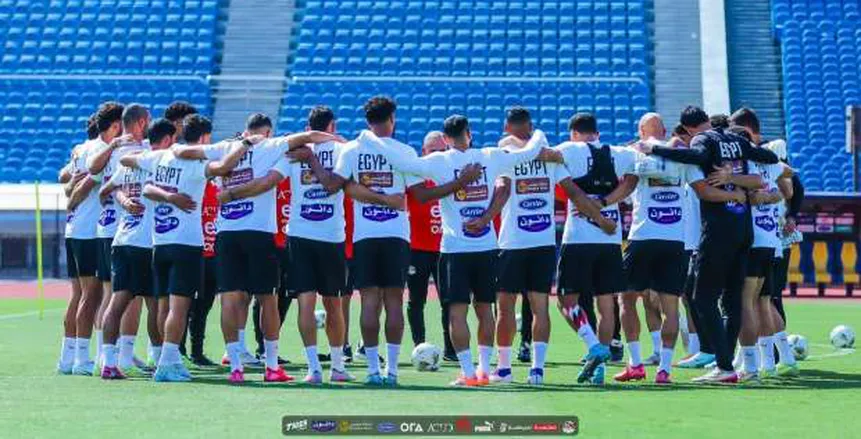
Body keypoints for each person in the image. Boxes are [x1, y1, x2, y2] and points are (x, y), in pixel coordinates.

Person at [357, 116, 563, 387]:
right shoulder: (490, 156)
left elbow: (404, 164)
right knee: (485, 309)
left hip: (454, 249)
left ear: (445, 139)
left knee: (457, 311)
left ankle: (467, 372)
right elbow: (529, 152)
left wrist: (368, 138)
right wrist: (539, 134)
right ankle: (484, 370)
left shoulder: (439, 161)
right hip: (487, 247)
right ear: (469, 133)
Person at [175, 114, 341, 383]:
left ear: (246, 130)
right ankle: (271, 365)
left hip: (227, 232)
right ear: (267, 132)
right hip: (259, 233)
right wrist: (339, 141)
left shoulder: (226, 147)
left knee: (230, 299)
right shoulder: (270, 145)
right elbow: (310, 137)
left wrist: (172, 150)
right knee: (267, 298)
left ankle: (235, 367)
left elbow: (184, 151)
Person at [640, 106, 779, 383]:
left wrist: (654, 148)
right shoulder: (736, 140)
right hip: (743, 229)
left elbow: (696, 156)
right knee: (732, 300)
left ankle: (724, 366)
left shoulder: (703, 140)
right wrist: (735, 177)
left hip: (717, 232)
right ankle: (731, 364)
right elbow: (769, 158)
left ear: (688, 129)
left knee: (701, 298)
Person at [121, 117, 259, 382]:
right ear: (204, 139)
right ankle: (167, 363)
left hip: (159, 242)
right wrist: (245, 143)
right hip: (186, 242)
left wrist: (167, 194)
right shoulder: (194, 164)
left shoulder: (159, 157)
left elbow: (131, 166)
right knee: (179, 307)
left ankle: (166, 358)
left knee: (163, 306)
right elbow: (224, 167)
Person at [492, 108, 607, 385]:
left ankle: (504, 370)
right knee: (540, 307)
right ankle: (537, 371)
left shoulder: (506, 154)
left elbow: (503, 190)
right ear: (530, 125)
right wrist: (601, 218)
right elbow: (574, 192)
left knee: (505, 307)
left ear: (507, 127)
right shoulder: (548, 156)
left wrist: (485, 218)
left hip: (513, 240)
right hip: (543, 241)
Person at [614, 113, 705, 384]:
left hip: (643, 236)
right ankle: (664, 369)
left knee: (626, 299)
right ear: (664, 131)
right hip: (675, 240)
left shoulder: (635, 153)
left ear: (640, 131)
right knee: (670, 306)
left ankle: (635, 363)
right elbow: (702, 189)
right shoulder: (681, 156)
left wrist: (602, 203)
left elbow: (625, 185)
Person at [554, 113, 640, 385]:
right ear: (597, 132)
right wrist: (605, 204)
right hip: (610, 241)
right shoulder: (620, 153)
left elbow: (575, 194)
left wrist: (598, 216)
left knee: (566, 301)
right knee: (606, 304)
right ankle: (600, 369)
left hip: (578, 239)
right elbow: (632, 181)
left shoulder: (570, 149)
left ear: (574, 133)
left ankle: (594, 346)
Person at [97, 118, 180, 378]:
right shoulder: (159, 163)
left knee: (117, 302)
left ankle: (108, 363)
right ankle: (160, 361)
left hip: (122, 240)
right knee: (156, 304)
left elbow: (105, 191)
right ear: (166, 140)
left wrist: (123, 199)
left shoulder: (131, 163)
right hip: (146, 243)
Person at [728, 109, 794, 381]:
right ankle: (772, 363)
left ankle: (751, 364)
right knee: (764, 302)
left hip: (753, 240)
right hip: (771, 240)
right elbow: (789, 188)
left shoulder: (745, 165)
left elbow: (752, 197)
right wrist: (772, 197)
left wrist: (758, 196)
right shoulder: (770, 161)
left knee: (747, 302)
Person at [59, 102, 124, 375]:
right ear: (115, 126)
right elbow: (83, 185)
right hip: (88, 229)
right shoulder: (101, 151)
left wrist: (70, 192)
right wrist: (72, 198)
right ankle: (82, 358)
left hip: (75, 228)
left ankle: (67, 357)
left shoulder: (81, 148)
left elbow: (65, 177)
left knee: (78, 295)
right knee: (92, 295)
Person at [87, 103, 150, 369]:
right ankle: (117, 353)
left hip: (111, 227)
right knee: (126, 295)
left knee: (112, 293)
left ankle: (110, 353)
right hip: (124, 227)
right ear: (142, 122)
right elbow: (94, 171)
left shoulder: (116, 148)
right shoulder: (138, 149)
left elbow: (96, 175)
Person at [405, 131, 454, 360]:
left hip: (446, 248)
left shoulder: (452, 173)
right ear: (423, 152)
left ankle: (451, 349)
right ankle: (420, 347)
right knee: (416, 300)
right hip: (417, 248)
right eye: (433, 151)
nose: (437, 155)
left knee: (449, 301)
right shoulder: (414, 174)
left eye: (442, 151)